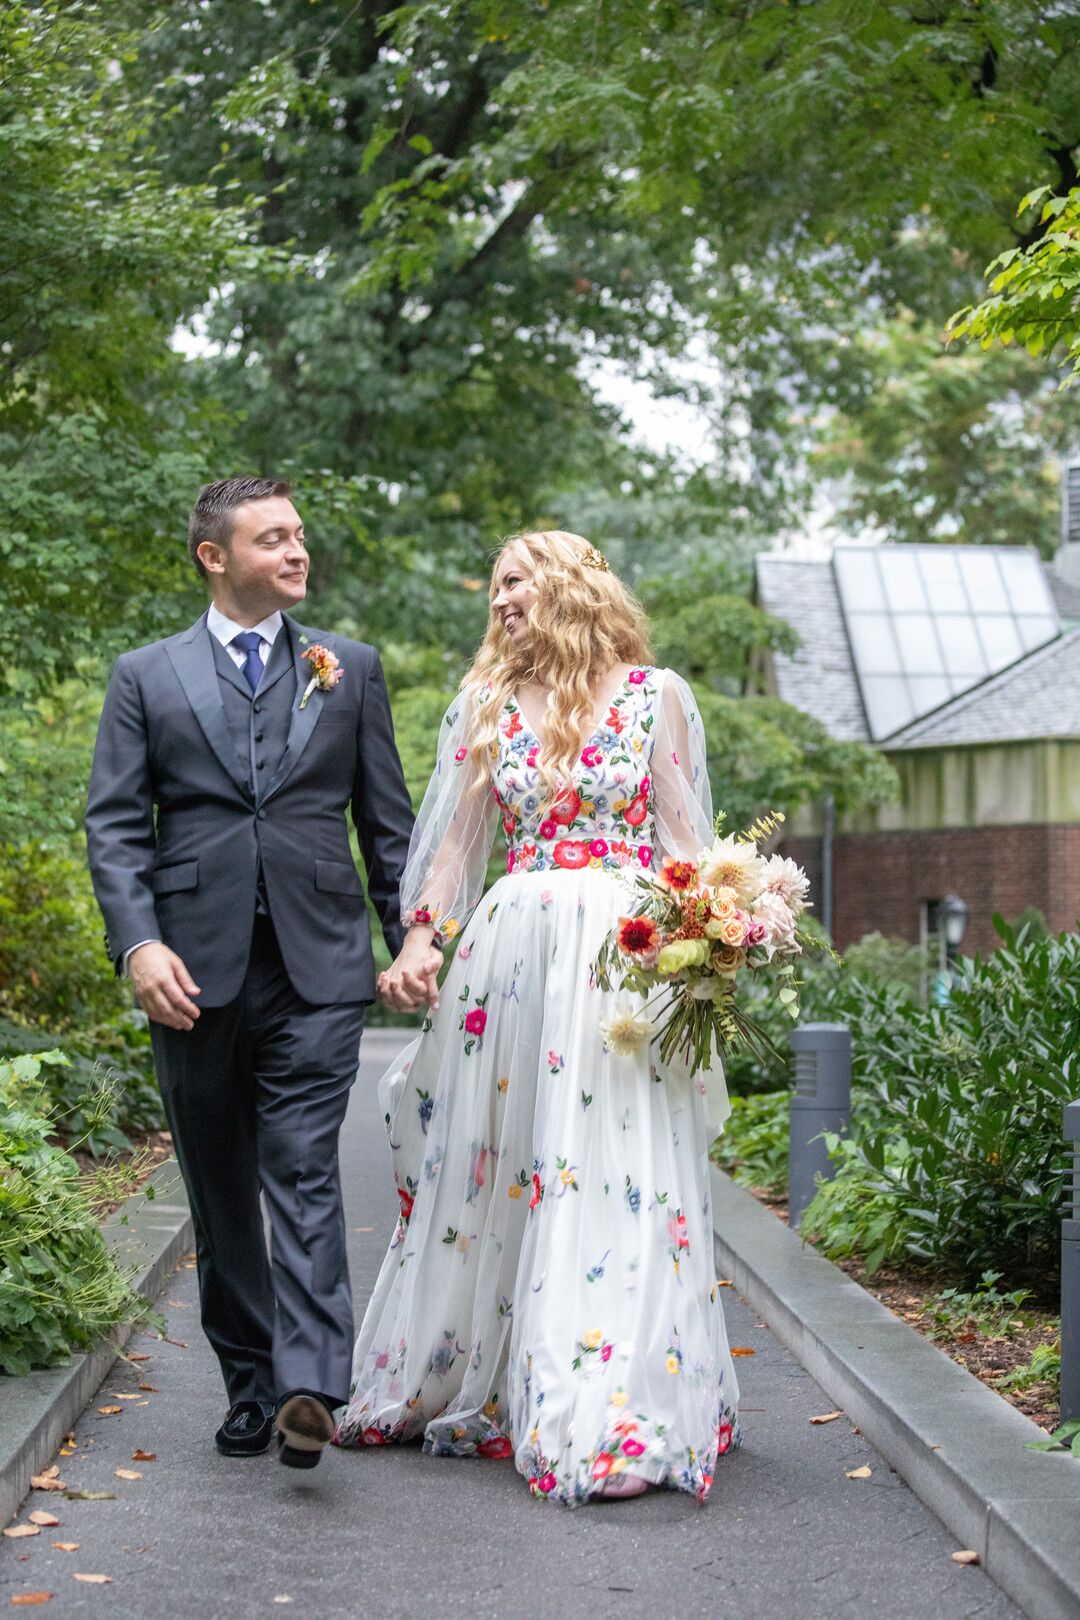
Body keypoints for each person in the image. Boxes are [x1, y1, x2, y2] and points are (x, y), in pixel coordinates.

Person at [335, 529, 740, 1504]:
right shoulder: (485, 707)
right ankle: (461, 1373)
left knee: (611, 1170)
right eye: (492, 590)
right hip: (512, 961)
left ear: (567, 583)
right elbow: (456, 845)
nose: (499, 603)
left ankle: (610, 1405)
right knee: (498, 1168)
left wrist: (718, 936)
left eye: (512, 582)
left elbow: (687, 843)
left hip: (622, 964)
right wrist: (423, 940)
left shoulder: (658, 696)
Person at [85, 476, 422, 1469]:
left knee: (304, 1170)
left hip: (317, 966)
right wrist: (138, 944)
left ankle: (313, 1386)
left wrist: (413, 937)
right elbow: (113, 826)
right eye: (271, 538)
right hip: (190, 970)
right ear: (213, 556)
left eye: (298, 536)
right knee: (221, 1185)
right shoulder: (145, 677)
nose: (295, 551)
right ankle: (251, 1385)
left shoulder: (347, 669)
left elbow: (386, 826)